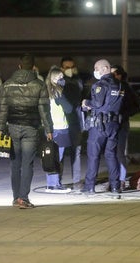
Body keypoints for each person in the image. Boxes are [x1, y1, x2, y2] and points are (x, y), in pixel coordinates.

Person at [0, 53, 53, 209]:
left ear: (19, 66)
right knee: (27, 164)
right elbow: (44, 110)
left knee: (15, 164)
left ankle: (16, 198)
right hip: (31, 128)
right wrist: (49, 129)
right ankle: (23, 198)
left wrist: (0, 128)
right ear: (33, 67)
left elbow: (3, 109)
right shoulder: (39, 85)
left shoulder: (7, 84)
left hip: (13, 127)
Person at [80, 59, 125, 195]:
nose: (95, 71)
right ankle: (115, 187)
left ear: (105, 68)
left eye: (97, 68)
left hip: (99, 125)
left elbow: (97, 103)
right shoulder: (120, 85)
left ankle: (89, 187)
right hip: (114, 124)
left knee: (94, 156)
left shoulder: (100, 85)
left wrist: (86, 102)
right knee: (111, 155)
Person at [111, 64, 140, 191]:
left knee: (119, 153)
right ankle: (114, 179)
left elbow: (136, 106)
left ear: (120, 75)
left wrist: (124, 114)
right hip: (109, 125)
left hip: (121, 124)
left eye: (115, 73)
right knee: (110, 153)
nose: (112, 76)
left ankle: (121, 180)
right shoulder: (107, 86)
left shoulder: (126, 88)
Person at [44, 66, 72, 193]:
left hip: (55, 127)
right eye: (59, 77)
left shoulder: (50, 91)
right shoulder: (57, 93)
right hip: (58, 128)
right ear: (53, 79)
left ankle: (52, 184)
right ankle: (54, 185)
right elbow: (69, 108)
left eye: (62, 77)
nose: (62, 79)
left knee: (54, 157)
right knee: (56, 157)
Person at [60, 56, 84, 190]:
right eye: (66, 67)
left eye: (71, 67)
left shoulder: (78, 81)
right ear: (62, 68)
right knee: (60, 153)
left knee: (76, 151)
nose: (69, 70)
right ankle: (58, 180)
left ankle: (76, 180)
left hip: (76, 122)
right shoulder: (59, 82)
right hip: (62, 122)